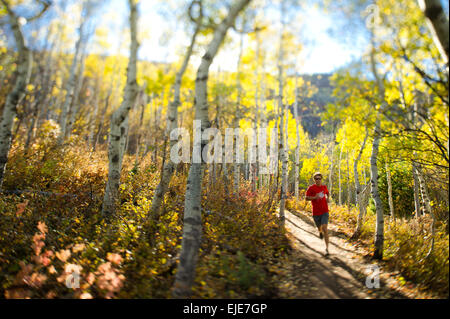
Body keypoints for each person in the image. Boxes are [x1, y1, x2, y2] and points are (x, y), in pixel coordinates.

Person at [305, 172, 330, 256]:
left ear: (321, 179)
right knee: (320, 228)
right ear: (314, 180)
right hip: (316, 213)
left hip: (325, 211)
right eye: (316, 179)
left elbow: (327, 193)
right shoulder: (311, 188)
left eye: (319, 178)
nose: (318, 180)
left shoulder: (324, 187)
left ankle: (327, 248)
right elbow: (306, 198)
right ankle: (319, 231)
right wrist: (314, 197)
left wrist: (327, 198)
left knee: (325, 228)